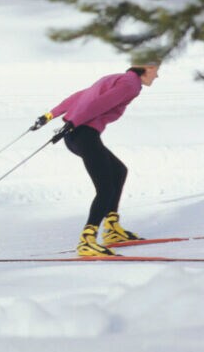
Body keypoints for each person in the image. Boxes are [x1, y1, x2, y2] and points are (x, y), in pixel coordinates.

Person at [34, 63, 160, 257]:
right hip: (83, 133)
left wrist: (49, 115)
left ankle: (112, 228)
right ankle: (87, 240)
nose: (157, 75)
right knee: (106, 188)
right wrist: (74, 122)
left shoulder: (115, 78)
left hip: (78, 134)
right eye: (156, 70)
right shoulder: (130, 84)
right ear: (147, 68)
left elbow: (80, 97)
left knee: (118, 171)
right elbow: (102, 103)